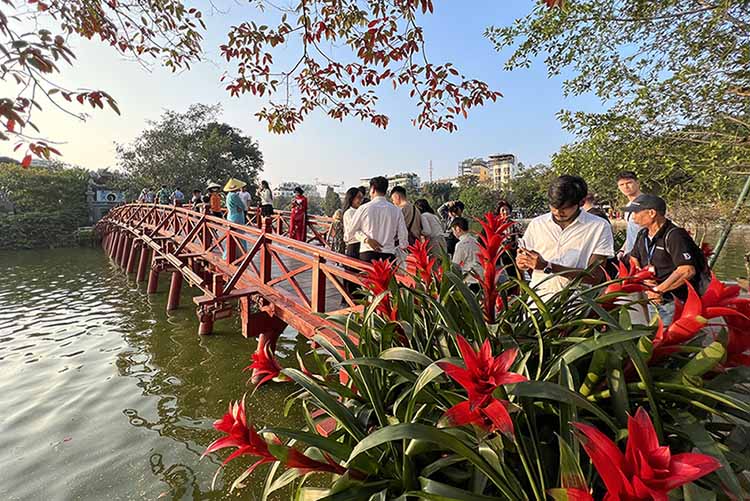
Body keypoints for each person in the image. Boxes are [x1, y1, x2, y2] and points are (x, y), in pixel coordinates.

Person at [516, 175, 615, 300]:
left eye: (565, 208)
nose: (558, 212)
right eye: (553, 206)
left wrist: (548, 267)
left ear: (582, 202)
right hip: (538, 302)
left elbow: (594, 276)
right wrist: (523, 261)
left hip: (576, 305)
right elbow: (522, 259)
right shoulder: (537, 224)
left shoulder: (598, 226)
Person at [625, 194, 710, 325]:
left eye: (636, 212)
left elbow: (687, 270)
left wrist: (659, 289)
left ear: (652, 213)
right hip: (653, 298)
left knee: (672, 337)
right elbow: (634, 257)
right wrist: (642, 275)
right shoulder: (643, 234)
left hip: (675, 300)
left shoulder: (675, 235)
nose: (633, 216)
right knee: (654, 336)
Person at [344, 176, 408, 263]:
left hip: (368, 254)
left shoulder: (364, 208)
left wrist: (365, 239)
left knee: (367, 276)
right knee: (387, 277)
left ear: (373, 189)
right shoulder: (396, 210)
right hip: (388, 255)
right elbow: (403, 238)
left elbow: (349, 234)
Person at [450, 217, 482, 292]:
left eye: (453, 230)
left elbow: (455, 265)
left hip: (469, 280)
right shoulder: (476, 241)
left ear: (457, 229)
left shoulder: (461, 244)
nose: (453, 233)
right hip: (481, 279)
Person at [494, 199, 523, 278]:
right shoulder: (496, 225)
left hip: (512, 254)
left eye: (507, 210)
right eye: (503, 210)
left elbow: (522, 238)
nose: (505, 212)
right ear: (499, 212)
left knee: (513, 274)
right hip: (499, 255)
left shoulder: (515, 224)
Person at [616, 171, 643, 257]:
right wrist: (622, 250)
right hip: (630, 255)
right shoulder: (628, 207)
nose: (625, 187)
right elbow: (632, 232)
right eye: (622, 185)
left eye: (629, 183)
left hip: (644, 255)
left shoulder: (648, 204)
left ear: (637, 183)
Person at [223, 178, 249, 257]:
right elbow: (243, 206)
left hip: (231, 216)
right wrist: (241, 207)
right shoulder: (234, 195)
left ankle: (230, 255)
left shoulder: (228, 195)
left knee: (231, 237)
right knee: (239, 235)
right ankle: (241, 254)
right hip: (237, 217)